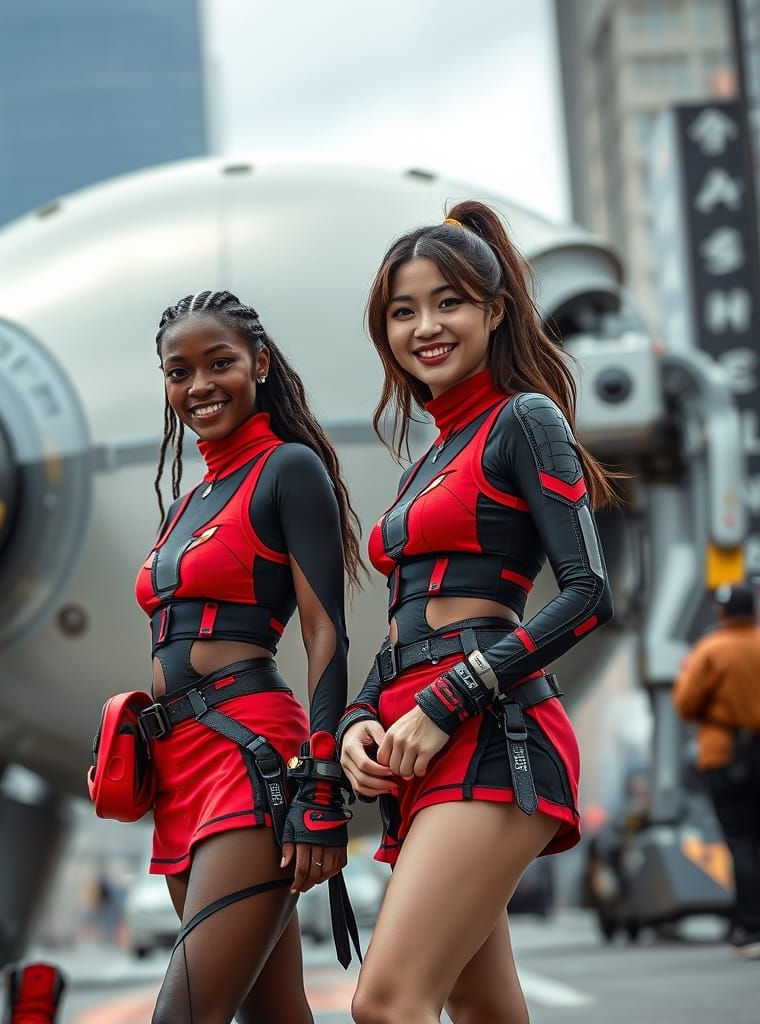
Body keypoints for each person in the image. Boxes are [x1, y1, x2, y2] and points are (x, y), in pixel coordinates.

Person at [337, 203, 617, 1024]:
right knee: (478, 1004)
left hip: (496, 737)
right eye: (402, 310)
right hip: (420, 749)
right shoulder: (428, 455)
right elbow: (405, 622)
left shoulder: (524, 419)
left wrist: (447, 698)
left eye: (448, 302)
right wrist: (360, 715)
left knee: (387, 1003)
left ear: (494, 312)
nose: (425, 326)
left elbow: (588, 590)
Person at [135, 290, 363, 1023]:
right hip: (179, 773)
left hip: (249, 761)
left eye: (220, 363)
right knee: (273, 1016)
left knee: (184, 1016)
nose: (198, 385)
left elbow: (325, 633)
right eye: (179, 371)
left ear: (259, 364)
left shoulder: (288, 470)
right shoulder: (187, 500)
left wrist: (322, 780)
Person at [673, 582, 760, 959]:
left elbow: (686, 702)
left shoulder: (711, 649)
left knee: (741, 842)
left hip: (726, 752)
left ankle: (750, 928)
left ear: (722, 613)